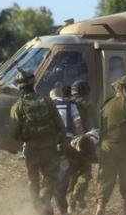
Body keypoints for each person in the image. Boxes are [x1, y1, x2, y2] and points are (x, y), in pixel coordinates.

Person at [9, 69, 65, 215]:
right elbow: (60, 126)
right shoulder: (47, 101)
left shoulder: (17, 106)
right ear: (33, 83)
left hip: (31, 149)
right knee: (50, 177)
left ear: (20, 87)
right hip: (50, 148)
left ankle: (38, 208)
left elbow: (14, 133)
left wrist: (24, 138)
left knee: (33, 182)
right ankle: (44, 200)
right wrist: (61, 144)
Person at [96, 75, 126, 215]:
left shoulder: (108, 103)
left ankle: (101, 207)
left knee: (105, 177)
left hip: (106, 146)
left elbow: (101, 124)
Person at [49, 84, 84, 215]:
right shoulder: (71, 104)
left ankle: (62, 207)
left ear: (51, 96)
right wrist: (80, 141)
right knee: (70, 174)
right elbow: (78, 124)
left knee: (54, 181)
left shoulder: (47, 106)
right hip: (69, 144)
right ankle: (71, 200)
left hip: (51, 147)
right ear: (61, 95)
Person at [67, 79, 98, 213]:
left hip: (67, 143)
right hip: (82, 143)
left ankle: (71, 205)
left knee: (72, 173)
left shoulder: (67, 103)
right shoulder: (87, 105)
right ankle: (77, 194)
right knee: (85, 172)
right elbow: (93, 126)